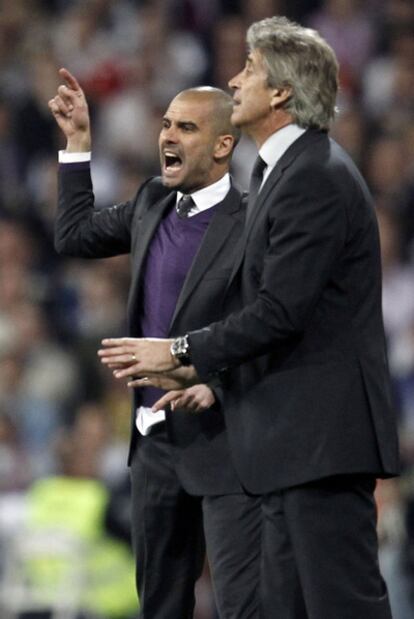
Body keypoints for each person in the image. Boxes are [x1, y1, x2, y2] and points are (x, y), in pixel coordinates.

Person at [100, 16, 400, 619]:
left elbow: (280, 311)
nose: (234, 80)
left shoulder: (313, 175)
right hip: (283, 444)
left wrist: (180, 351)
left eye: (250, 70)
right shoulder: (276, 173)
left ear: (282, 92)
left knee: (344, 606)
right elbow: (287, 314)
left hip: (321, 443)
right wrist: (217, 381)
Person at [49, 70, 252, 618]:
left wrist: (214, 381)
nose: (167, 136)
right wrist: (78, 144)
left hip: (227, 441)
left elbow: (266, 326)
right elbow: (73, 235)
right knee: (160, 605)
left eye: (186, 127)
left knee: (244, 603)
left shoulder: (255, 221)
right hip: (154, 443)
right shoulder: (151, 201)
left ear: (222, 145)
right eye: (165, 125)